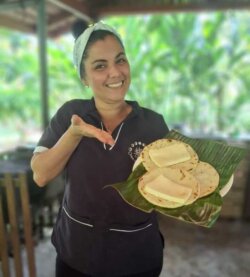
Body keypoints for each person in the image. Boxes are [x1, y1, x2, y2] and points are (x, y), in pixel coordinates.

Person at [31, 20, 169, 277]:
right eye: (100, 66)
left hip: (137, 257)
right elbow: (40, 174)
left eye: (120, 60)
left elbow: (170, 186)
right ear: (84, 77)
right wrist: (74, 134)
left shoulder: (153, 123)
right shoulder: (70, 115)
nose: (115, 72)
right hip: (76, 255)